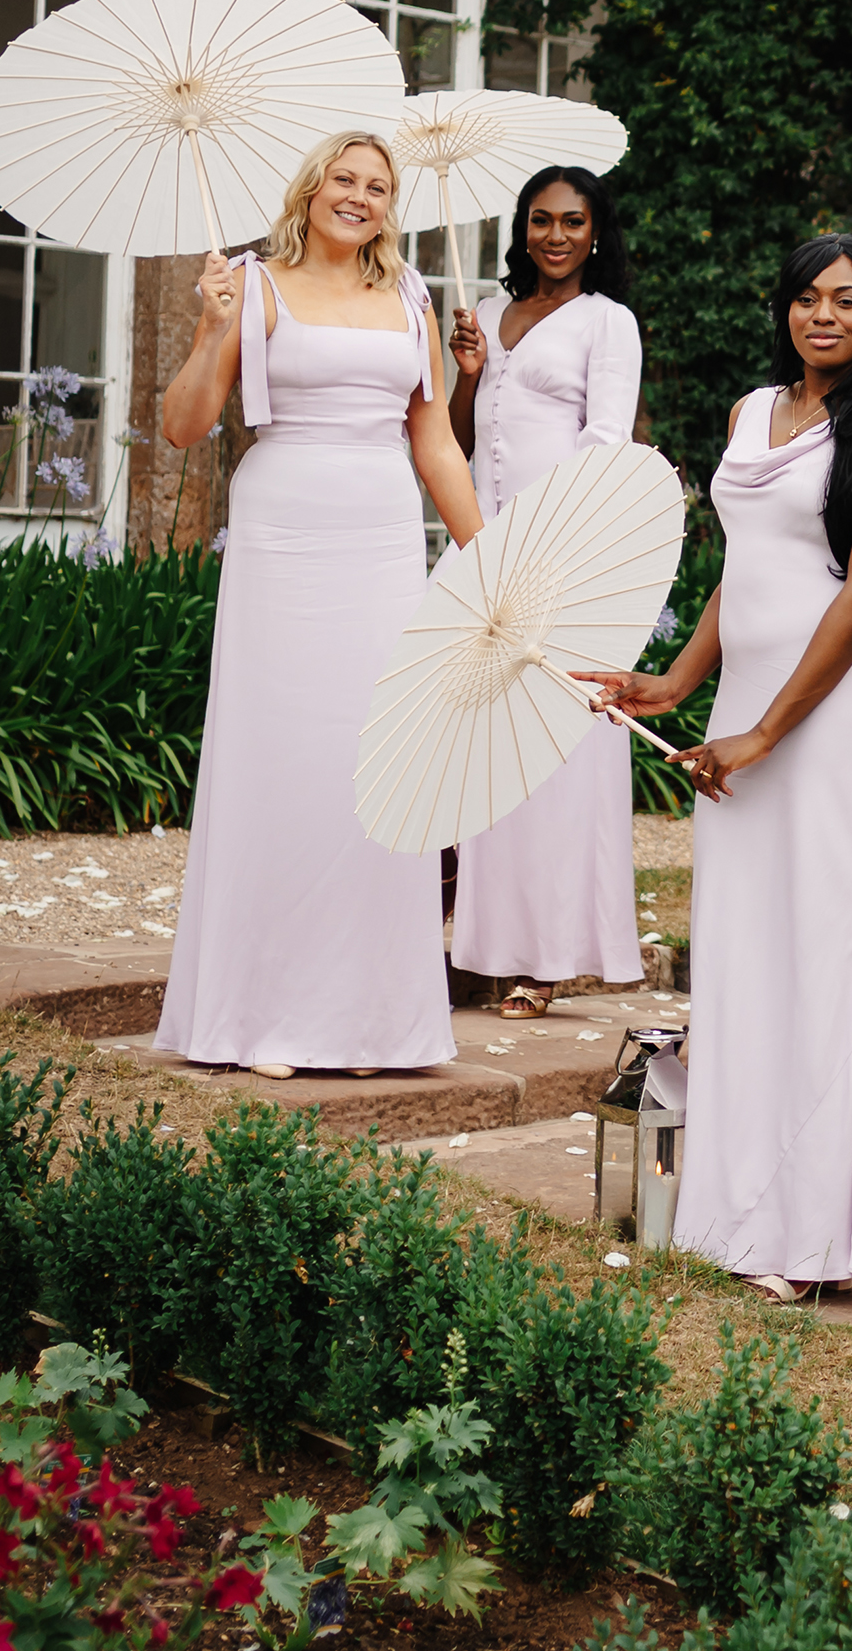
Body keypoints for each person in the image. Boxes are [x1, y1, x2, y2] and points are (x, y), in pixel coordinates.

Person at [587, 232, 852, 1296]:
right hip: (746, 702)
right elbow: (746, 569)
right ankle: (734, 1207)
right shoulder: (749, 411)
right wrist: (679, 681)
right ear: (783, 308)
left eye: (845, 300)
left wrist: (768, 731)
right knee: (742, 943)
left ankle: (819, 1231)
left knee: (826, 946)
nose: (822, 315)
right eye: (805, 298)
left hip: (831, 717)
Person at [154, 129, 483, 1078]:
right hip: (282, 537)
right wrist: (214, 326)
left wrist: (487, 559)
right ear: (310, 189)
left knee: (377, 758)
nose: (360, 195)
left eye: (377, 186)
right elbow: (183, 428)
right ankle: (262, 1018)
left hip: (381, 538)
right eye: (344, 178)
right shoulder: (251, 286)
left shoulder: (410, 296)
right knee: (282, 757)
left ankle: (372, 1022)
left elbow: (436, 446)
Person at [443, 164, 646, 1009]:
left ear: (595, 231)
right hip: (479, 551)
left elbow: (604, 442)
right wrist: (466, 371)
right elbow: (455, 442)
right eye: (539, 220)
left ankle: (557, 953)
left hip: (562, 557)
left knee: (558, 754)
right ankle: (490, 942)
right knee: (488, 750)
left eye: (571, 221)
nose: (554, 235)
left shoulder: (609, 322)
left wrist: (549, 550)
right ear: (520, 229)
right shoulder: (486, 316)